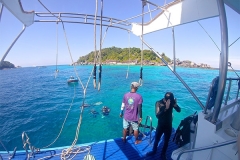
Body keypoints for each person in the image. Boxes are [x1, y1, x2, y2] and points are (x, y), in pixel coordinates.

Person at [146, 92, 181, 160]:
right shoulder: (158, 103)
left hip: (168, 125)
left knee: (166, 141)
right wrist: (166, 109)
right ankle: (154, 150)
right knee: (157, 139)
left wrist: (175, 105)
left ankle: (163, 153)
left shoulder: (172, 102)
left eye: (171, 100)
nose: (170, 101)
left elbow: (179, 110)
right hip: (161, 125)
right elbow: (157, 115)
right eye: (169, 100)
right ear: (165, 99)